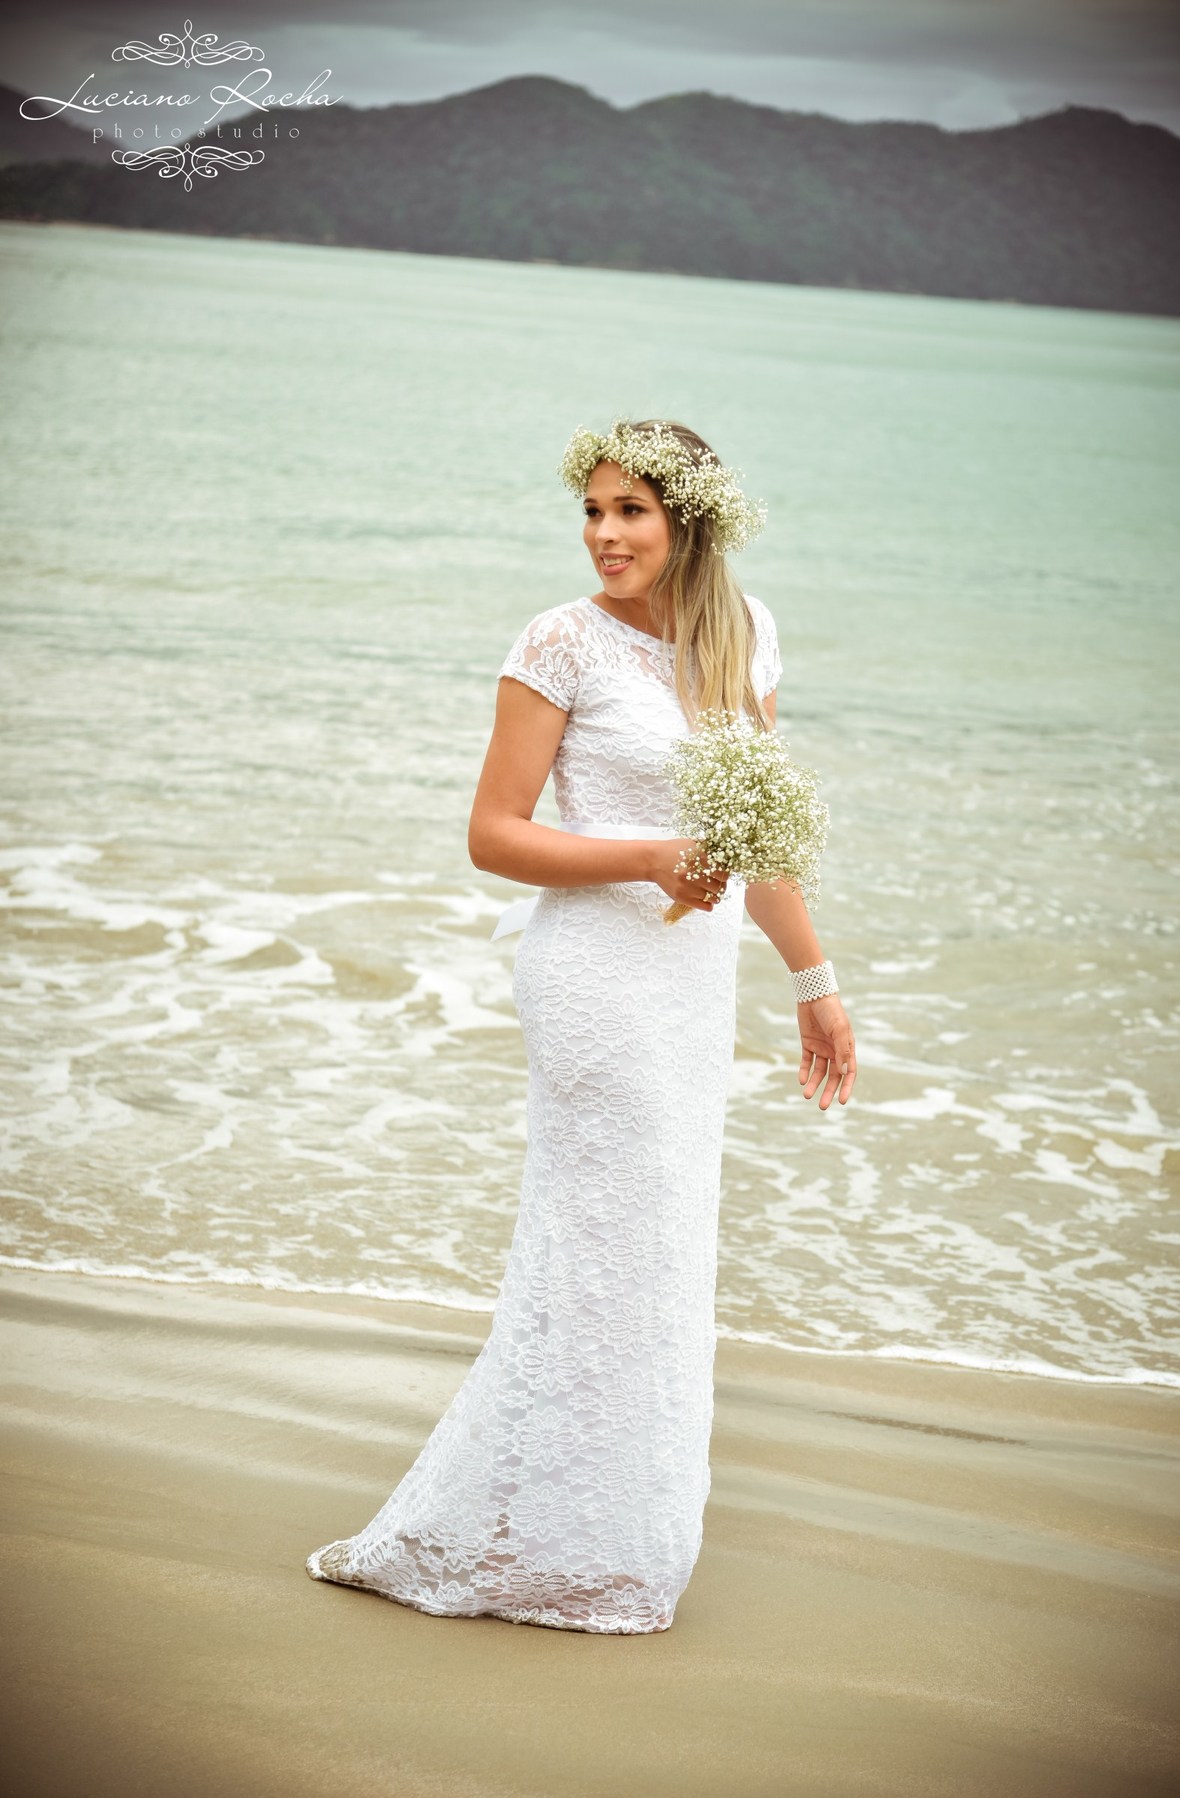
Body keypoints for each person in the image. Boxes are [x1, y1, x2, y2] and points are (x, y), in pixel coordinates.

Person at [306, 417, 857, 1634]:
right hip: (594, 982)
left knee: (662, 1249)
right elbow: (494, 833)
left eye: (631, 512)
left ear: (690, 522)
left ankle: (606, 1541)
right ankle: (517, 1535)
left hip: (692, 983)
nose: (605, 534)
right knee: (598, 1240)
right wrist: (648, 855)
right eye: (594, 512)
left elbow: (758, 842)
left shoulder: (746, 635)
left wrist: (814, 981)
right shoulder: (559, 642)